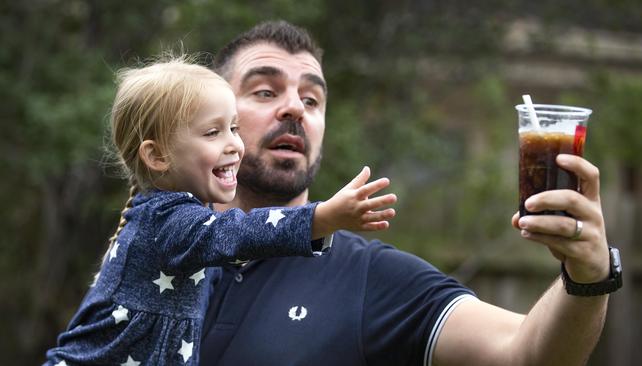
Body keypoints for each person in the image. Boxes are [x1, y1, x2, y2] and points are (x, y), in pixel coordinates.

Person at [199, 20, 619, 366]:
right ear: (214, 119)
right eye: (265, 92)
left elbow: (528, 356)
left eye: (312, 99)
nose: (295, 108)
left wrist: (588, 276)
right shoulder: (149, 246)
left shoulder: (366, 279)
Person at [44, 57, 397, 365]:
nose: (234, 144)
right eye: (213, 132)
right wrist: (321, 218)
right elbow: (235, 233)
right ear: (157, 156)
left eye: (233, 128)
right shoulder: (168, 221)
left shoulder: (177, 216)